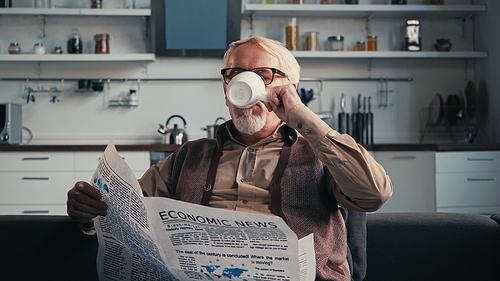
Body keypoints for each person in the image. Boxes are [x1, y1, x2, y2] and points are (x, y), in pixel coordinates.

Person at [67, 36, 392, 281]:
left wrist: (302, 115)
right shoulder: (189, 156)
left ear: (290, 88)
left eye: (263, 74)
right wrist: (90, 214)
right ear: (226, 92)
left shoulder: (319, 156)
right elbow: (127, 217)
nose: (243, 83)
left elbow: (374, 193)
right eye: (234, 74)